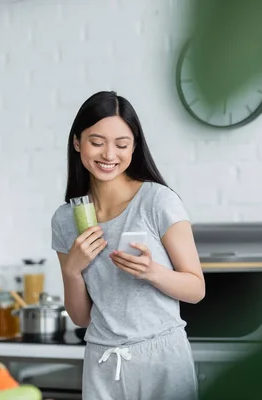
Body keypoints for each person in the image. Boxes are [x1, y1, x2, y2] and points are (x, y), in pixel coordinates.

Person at [50, 90, 206, 400]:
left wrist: (152, 272)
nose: (109, 155)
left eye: (121, 145)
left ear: (134, 147)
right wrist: (72, 271)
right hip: (103, 362)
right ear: (77, 142)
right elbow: (82, 318)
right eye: (97, 142)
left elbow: (196, 288)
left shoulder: (158, 201)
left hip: (163, 359)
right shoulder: (65, 220)